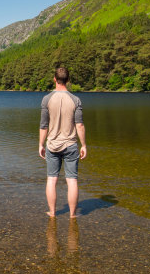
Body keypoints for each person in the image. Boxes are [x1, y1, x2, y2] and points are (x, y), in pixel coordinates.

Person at [39, 67, 87, 218]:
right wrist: (84, 145)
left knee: (52, 179)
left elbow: (43, 125)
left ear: (54, 79)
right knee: (72, 181)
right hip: (70, 145)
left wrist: (41, 144)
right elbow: (79, 125)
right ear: (68, 80)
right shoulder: (75, 100)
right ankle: (72, 215)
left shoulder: (46, 99)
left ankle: (52, 213)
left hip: (52, 145)